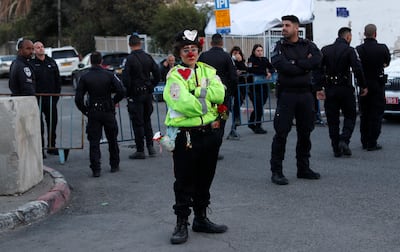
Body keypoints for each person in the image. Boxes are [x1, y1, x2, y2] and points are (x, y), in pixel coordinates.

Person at [163, 29, 227, 244]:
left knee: (205, 178)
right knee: (184, 181)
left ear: (199, 50)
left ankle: (201, 218)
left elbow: (220, 94)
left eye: (194, 49)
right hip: (186, 137)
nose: (190, 53)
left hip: (209, 133)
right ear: (179, 53)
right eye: (186, 49)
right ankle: (182, 223)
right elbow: (181, 103)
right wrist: (205, 99)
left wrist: (197, 94)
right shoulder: (174, 75)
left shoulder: (209, 70)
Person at [269, 15, 322, 185]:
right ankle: (276, 171)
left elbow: (317, 60)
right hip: (287, 95)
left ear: (296, 27)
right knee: (281, 133)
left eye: (287, 25)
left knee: (305, 132)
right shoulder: (279, 46)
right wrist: (302, 64)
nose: (283, 28)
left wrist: (295, 63)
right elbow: (282, 65)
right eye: (282, 25)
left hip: (306, 95)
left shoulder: (308, 45)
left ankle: (303, 168)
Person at [316, 27, 368, 157]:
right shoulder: (350, 50)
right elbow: (357, 68)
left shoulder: (325, 50)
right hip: (345, 88)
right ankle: (344, 140)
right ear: (348, 37)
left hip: (330, 88)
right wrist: (363, 85)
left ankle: (336, 148)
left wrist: (319, 87)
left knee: (332, 119)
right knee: (350, 115)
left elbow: (318, 69)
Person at [75, 51, 125, 177]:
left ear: (91, 61)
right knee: (112, 139)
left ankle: (96, 169)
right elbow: (121, 90)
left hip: (93, 111)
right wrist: (113, 101)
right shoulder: (109, 75)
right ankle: (114, 164)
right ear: (101, 61)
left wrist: (85, 110)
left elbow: (78, 98)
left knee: (94, 141)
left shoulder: (85, 77)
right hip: (108, 110)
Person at [122, 34, 161, 159]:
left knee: (137, 122)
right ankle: (150, 147)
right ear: (140, 43)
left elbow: (126, 79)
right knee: (147, 120)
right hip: (147, 93)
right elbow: (157, 73)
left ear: (130, 45)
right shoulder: (148, 57)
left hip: (136, 94)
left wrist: (128, 92)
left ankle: (140, 150)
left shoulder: (130, 59)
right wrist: (151, 85)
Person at [198, 33, 238, 147]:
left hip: (206, 95)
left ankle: (206, 145)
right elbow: (233, 77)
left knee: (207, 120)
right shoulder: (226, 57)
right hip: (222, 96)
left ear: (211, 43)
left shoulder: (203, 56)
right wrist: (230, 92)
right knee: (222, 120)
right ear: (222, 43)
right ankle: (215, 146)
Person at [356, 24, 391, 151]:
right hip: (377, 84)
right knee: (376, 114)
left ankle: (364, 140)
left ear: (364, 34)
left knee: (364, 113)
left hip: (364, 85)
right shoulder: (382, 48)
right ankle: (372, 142)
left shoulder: (358, 49)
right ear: (375, 34)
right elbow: (387, 62)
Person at [33, 41, 62, 156]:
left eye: (42, 47)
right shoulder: (32, 63)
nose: (40, 49)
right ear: (34, 51)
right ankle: (40, 148)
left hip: (51, 98)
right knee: (39, 125)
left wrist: (56, 96)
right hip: (38, 99)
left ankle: (51, 146)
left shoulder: (51, 62)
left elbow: (58, 80)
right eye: (38, 48)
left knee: (52, 123)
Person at [247, 44, 275, 134]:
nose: (260, 52)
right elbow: (251, 70)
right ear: (254, 51)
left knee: (259, 106)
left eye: (261, 51)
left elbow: (272, 67)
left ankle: (251, 122)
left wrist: (270, 72)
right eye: (258, 51)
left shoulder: (265, 59)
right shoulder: (251, 60)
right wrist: (264, 72)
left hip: (263, 86)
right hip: (253, 87)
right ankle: (258, 126)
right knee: (258, 107)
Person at [228, 46, 248, 139]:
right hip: (233, 85)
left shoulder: (241, 60)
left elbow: (245, 69)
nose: (236, 54)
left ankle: (236, 120)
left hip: (241, 85)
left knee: (239, 102)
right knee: (232, 104)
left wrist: (240, 61)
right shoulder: (229, 60)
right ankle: (235, 121)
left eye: (238, 52)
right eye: (234, 52)